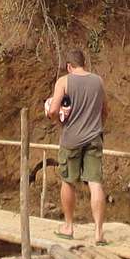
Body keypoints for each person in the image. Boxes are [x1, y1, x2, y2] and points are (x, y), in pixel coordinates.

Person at [43, 47, 107, 241]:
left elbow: (54, 110)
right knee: (95, 183)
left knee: (68, 182)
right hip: (94, 137)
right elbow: (105, 111)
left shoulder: (64, 81)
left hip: (71, 139)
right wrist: (97, 127)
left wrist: (52, 116)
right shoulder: (98, 81)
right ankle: (98, 233)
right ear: (84, 63)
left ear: (69, 66)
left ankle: (69, 227)